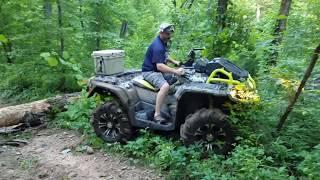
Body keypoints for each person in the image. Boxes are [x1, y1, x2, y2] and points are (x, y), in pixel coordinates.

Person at [141, 23, 185, 123]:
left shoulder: (162, 42)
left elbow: (165, 56)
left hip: (156, 70)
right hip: (150, 71)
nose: (170, 36)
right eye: (168, 34)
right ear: (162, 33)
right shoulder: (158, 46)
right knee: (165, 86)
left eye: (170, 34)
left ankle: (168, 102)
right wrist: (176, 71)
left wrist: (175, 62)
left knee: (174, 78)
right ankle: (157, 114)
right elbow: (159, 66)